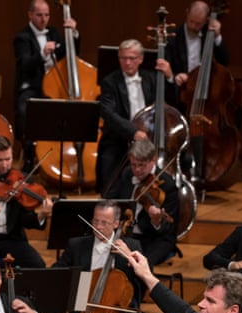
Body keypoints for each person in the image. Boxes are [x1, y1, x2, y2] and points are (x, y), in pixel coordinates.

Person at [96, 39, 176, 195]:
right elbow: (108, 114)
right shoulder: (109, 82)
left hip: (149, 139)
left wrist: (169, 77)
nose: (127, 62)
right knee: (109, 183)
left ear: (140, 59)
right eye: (123, 58)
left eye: (131, 58)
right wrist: (133, 132)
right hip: (119, 139)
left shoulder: (152, 78)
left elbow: (172, 103)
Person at [13, 0, 79, 173]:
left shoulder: (55, 33)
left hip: (54, 87)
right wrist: (42, 54)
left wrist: (73, 34)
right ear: (30, 15)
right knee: (24, 110)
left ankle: (66, 158)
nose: (44, 19)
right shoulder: (22, 37)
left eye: (47, 15)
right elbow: (24, 64)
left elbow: (70, 53)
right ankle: (29, 156)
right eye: (39, 15)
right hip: (32, 86)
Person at [107, 138, 179, 269]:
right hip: (126, 234)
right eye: (133, 165)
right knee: (97, 253)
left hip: (154, 239)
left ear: (154, 160)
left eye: (141, 165)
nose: (137, 170)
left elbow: (168, 229)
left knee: (138, 264)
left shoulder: (167, 185)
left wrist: (156, 221)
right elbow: (111, 199)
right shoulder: (127, 174)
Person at [0, 135, 52, 268]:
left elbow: (24, 219)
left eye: (8, 159)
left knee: (37, 265)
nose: (5, 165)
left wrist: (41, 215)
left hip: (10, 239)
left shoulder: (20, 180)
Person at [166, 0, 229, 90]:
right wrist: (176, 76)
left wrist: (217, 37)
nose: (193, 26)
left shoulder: (209, 35)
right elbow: (166, 65)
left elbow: (224, 61)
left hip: (204, 90)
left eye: (198, 24)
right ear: (187, 13)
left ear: (206, 20)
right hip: (179, 90)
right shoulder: (172, 36)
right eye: (191, 21)